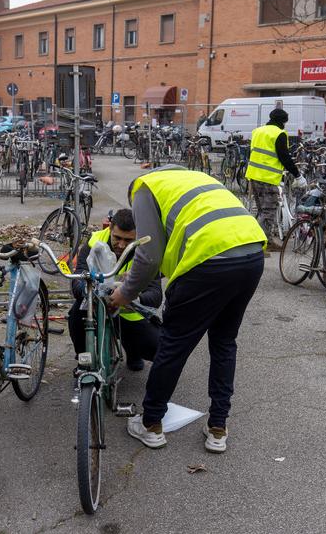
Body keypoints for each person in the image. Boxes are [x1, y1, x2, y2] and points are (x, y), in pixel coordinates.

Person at [110, 165, 266, 454]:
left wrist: (124, 293)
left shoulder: (144, 188)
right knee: (224, 342)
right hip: (251, 253)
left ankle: (151, 423)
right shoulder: (193, 178)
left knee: (174, 344)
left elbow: (148, 255)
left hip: (208, 262)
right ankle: (218, 428)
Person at [67, 209, 161, 371]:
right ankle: (84, 363)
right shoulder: (94, 242)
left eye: (128, 240)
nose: (122, 245)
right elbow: (78, 278)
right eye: (117, 238)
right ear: (110, 228)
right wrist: (88, 292)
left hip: (128, 314)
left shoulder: (145, 251)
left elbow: (156, 294)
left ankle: (133, 351)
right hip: (96, 308)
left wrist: (135, 297)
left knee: (158, 348)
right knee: (75, 316)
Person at [245, 108, 299, 251]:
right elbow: (284, 157)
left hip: (253, 175)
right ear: (283, 121)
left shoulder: (258, 131)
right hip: (267, 178)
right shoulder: (279, 134)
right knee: (268, 211)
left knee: (262, 211)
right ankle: (261, 244)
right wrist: (297, 174)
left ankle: (261, 240)